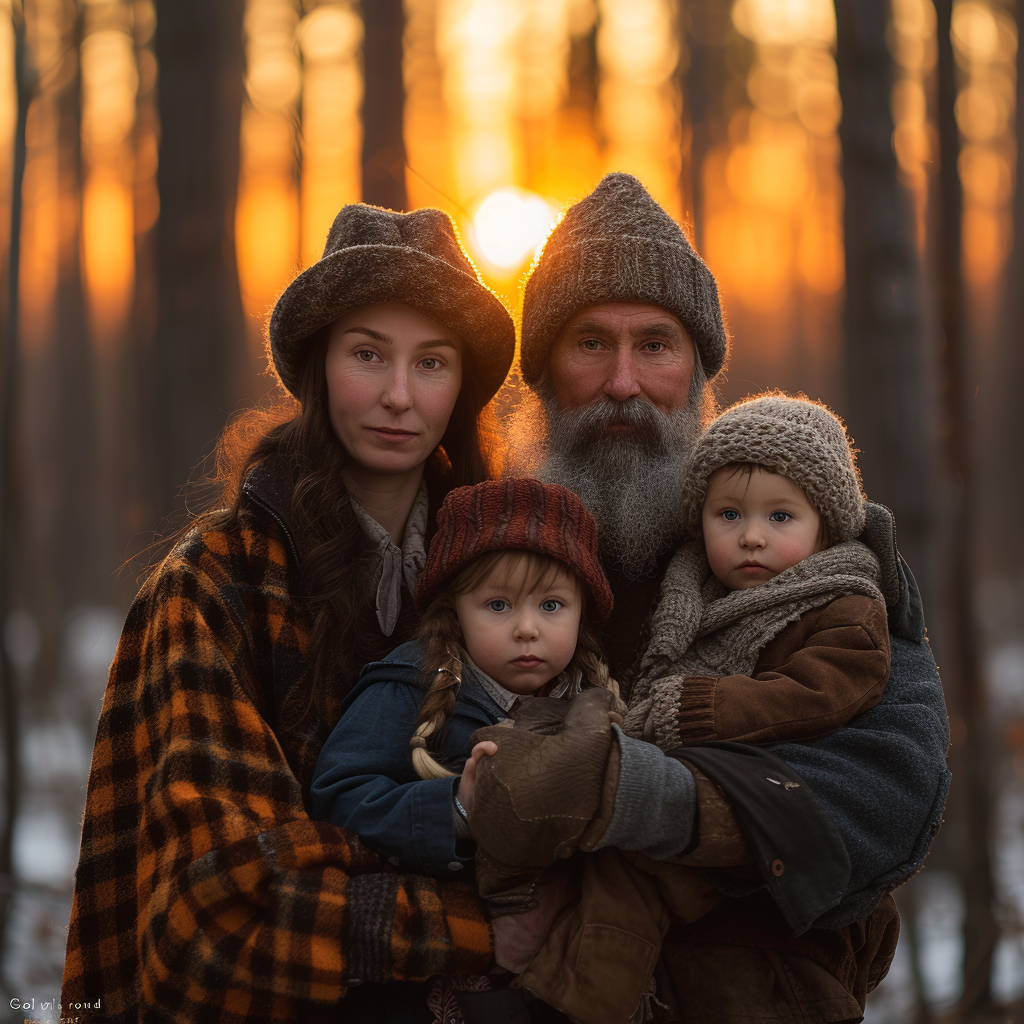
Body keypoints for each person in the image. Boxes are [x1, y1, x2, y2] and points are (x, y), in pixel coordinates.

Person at [488, 172, 950, 1022]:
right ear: (544, 376)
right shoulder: (491, 559)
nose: (624, 381)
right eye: (590, 342)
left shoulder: (807, 553)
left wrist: (647, 798)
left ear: (701, 373)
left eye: (655, 344)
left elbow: (895, 779)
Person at [60, 203, 532, 1024]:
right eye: (367, 355)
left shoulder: (504, 585)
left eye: (431, 362)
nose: (397, 395)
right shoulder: (213, 585)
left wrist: (322, 852)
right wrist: (485, 918)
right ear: (317, 368)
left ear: (461, 387)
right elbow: (215, 923)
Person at [491, 393, 899, 1024]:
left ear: (826, 525)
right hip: (691, 778)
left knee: (635, 878)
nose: (752, 536)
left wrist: (703, 710)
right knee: (610, 856)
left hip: (766, 813)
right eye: (728, 514)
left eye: (781, 517)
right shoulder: (691, 592)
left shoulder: (844, 603)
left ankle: (573, 1000)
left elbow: (822, 691)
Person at [309, 476, 622, 1022]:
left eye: (552, 605)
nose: (527, 629)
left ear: (582, 610)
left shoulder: (597, 702)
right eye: (498, 605)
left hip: (567, 962)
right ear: (456, 609)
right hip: (447, 964)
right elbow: (338, 794)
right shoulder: (408, 685)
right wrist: (455, 807)